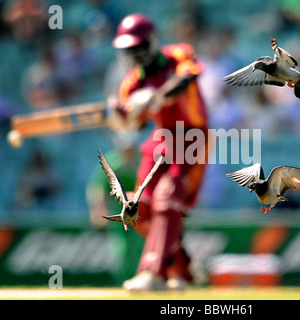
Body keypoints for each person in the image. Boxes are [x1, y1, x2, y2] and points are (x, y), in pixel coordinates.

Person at [108, 13, 209, 291]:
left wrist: (158, 95)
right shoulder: (131, 83)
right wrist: (121, 116)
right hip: (159, 140)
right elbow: (133, 122)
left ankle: (152, 274)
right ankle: (182, 270)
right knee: (138, 206)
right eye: (129, 50)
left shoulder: (178, 54)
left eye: (139, 47)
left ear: (152, 42)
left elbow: (188, 79)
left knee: (169, 192)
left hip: (191, 135)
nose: (135, 55)